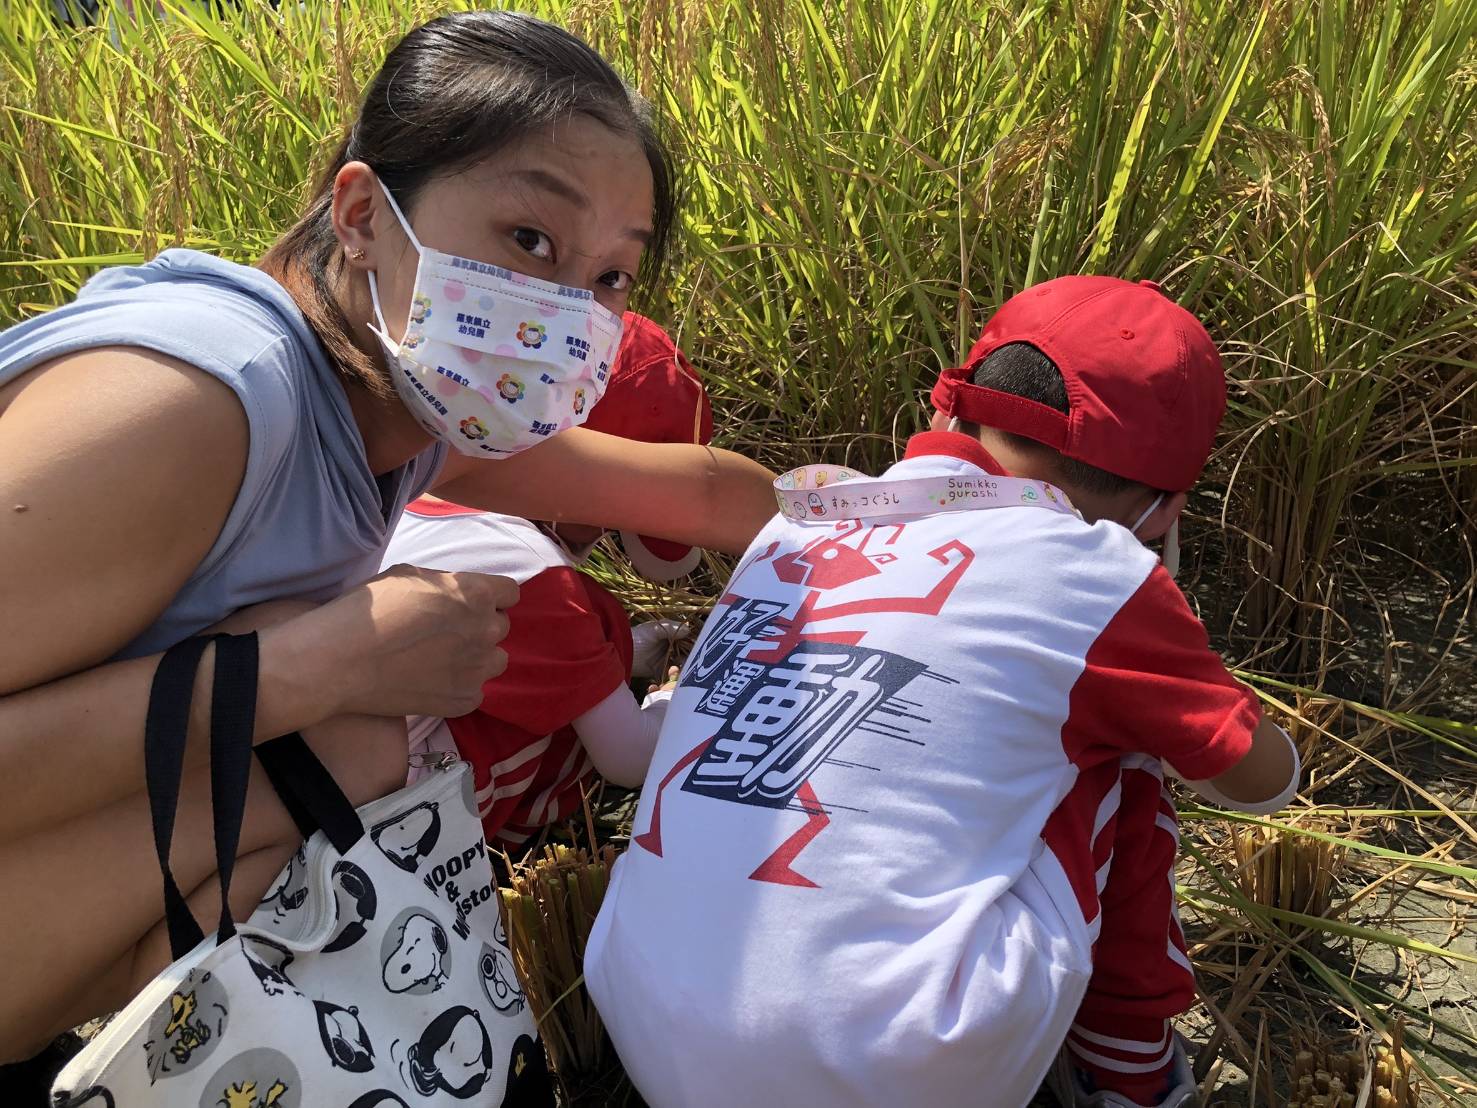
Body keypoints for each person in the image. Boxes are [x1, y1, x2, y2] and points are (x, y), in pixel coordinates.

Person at [0, 10, 776, 1063]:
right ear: (361, 214)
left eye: (608, 277)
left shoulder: (396, 420)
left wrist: (902, 518)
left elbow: (692, 494)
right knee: (342, 731)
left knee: (352, 745)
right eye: (529, 240)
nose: (562, 313)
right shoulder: (200, 404)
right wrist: (317, 664)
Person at [583, 276, 1301, 1108]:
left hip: (641, 1011)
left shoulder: (800, 520)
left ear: (946, 412)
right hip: (891, 1066)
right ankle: (1128, 1072)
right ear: (1163, 510)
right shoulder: (1100, 572)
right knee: (1125, 750)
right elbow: (1261, 784)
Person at [381, 313, 712, 850]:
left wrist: (625, 653)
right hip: (394, 825)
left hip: (321, 766)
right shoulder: (535, 574)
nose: (602, 533)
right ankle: (507, 841)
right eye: (615, 517)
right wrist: (678, 702)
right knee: (590, 639)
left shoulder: (420, 485)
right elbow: (630, 760)